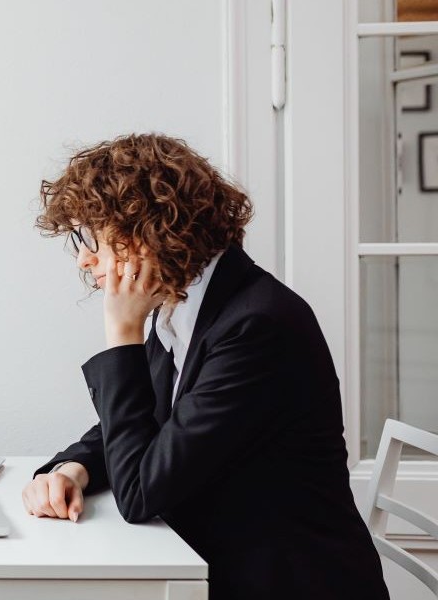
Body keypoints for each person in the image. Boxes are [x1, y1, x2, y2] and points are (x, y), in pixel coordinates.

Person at [21, 134, 388, 600]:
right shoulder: (189, 306)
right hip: (226, 563)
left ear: (149, 228)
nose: (84, 257)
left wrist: (122, 335)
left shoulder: (256, 326)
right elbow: (150, 419)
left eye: (93, 236)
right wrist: (72, 468)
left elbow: (140, 492)